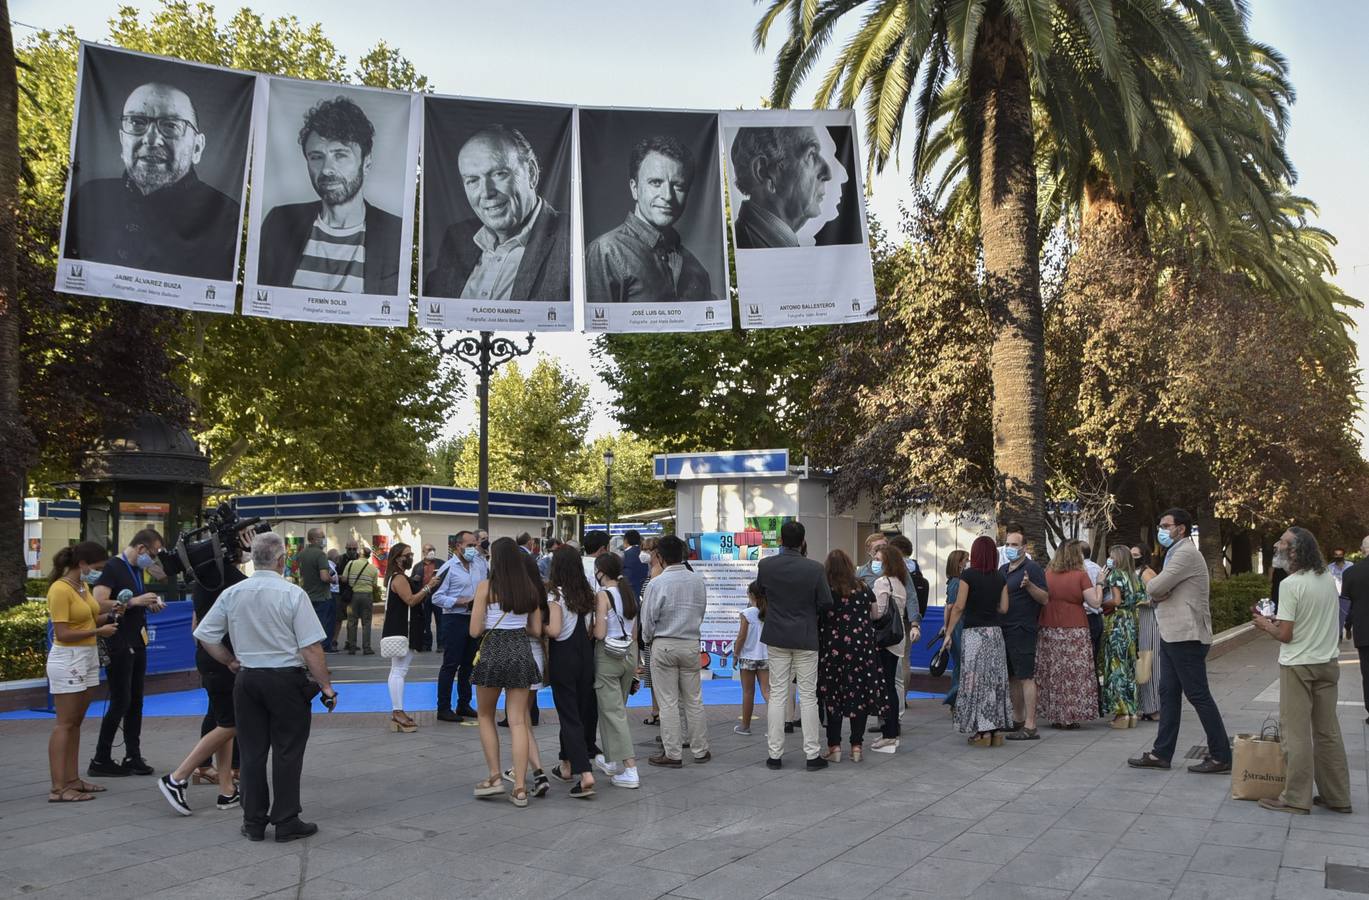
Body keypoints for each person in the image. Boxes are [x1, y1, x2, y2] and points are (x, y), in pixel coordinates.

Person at [192, 532, 337, 842]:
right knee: (288, 750)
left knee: (252, 751)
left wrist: (229, 660)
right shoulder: (292, 594)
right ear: (282, 560)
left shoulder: (233, 593)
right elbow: (311, 648)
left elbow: (205, 635)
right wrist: (326, 686)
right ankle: (286, 820)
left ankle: (253, 820)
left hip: (247, 677)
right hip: (285, 677)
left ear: (254, 558)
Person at [64, 82, 240, 278]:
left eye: (171, 126)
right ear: (123, 140)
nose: (151, 139)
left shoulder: (227, 217)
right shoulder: (90, 199)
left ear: (197, 148)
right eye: (137, 122)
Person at [1251, 526, 1352, 815]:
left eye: (1282, 542)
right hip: (1327, 664)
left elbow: (1285, 634)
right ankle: (1338, 796)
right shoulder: (1326, 580)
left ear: (1295, 550)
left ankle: (1295, 798)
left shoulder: (1291, 584)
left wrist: (1263, 624)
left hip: (1298, 664)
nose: (1277, 545)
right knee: (1327, 731)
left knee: (1295, 733)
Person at [157, 527, 256, 816]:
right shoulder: (227, 579)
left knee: (223, 723)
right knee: (233, 724)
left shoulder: (206, 580)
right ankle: (177, 777)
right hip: (223, 661)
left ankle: (226, 788)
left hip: (211, 660)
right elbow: (260, 583)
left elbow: (195, 628)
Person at [258, 96, 401, 294]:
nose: (326, 170)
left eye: (340, 155)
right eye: (316, 157)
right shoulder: (279, 222)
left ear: (366, 163)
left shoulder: (397, 234)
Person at [1127, 508, 1232, 774]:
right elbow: (1159, 590)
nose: (1161, 530)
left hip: (1186, 635)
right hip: (1173, 634)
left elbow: (1153, 587)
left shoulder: (1185, 553)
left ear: (1181, 528)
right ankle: (1161, 754)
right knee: (1168, 693)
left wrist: (1159, 590)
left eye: (1166, 525)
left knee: (1198, 694)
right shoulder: (1176, 552)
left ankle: (1221, 756)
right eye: (1160, 525)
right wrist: (1160, 591)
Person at [426, 124, 571, 301]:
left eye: (499, 174)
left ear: (532, 173)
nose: (486, 192)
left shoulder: (573, 238)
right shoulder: (457, 238)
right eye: (472, 180)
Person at [585, 135, 715, 302]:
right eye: (655, 182)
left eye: (679, 186)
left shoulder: (697, 271)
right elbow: (597, 326)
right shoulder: (606, 252)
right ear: (634, 188)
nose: (668, 196)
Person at [469, 538, 544, 809]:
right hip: (521, 652)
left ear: (495, 560)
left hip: (493, 653)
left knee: (485, 715)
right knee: (519, 722)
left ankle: (494, 777)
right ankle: (521, 788)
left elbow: (475, 630)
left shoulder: (485, 588)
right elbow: (536, 629)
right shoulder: (530, 590)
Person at [756, 521, 834, 769]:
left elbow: (760, 590)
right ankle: (812, 755)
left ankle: (774, 754)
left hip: (777, 635)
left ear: (780, 540)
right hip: (806, 636)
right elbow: (826, 602)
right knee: (808, 695)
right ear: (803, 541)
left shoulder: (766, 565)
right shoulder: (814, 568)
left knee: (778, 693)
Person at [89, 528, 167, 778]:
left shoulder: (136, 570)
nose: (153, 560)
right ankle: (101, 758)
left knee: (136, 700)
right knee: (121, 700)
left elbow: (135, 600)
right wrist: (133, 602)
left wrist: (149, 603)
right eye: (153, 553)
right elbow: (97, 604)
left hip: (137, 639)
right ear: (142, 549)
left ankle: (133, 754)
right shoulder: (113, 567)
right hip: (119, 640)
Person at [46, 542, 118, 802]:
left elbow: (90, 618)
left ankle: (72, 779)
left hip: (87, 656)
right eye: (96, 568)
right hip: (68, 657)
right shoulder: (59, 590)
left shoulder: (82, 587)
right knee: (64, 723)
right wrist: (98, 632)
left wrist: (111, 615)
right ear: (82, 565)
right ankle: (58, 788)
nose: (98, 573)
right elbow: (62, 632)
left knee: (75, 722)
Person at [640, 535, 711, 768]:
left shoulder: (657, 584)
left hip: (664, 642)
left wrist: (648, 639)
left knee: (668, 701)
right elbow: (701, 611)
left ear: (659, 556)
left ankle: (673, 752)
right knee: (693, 699)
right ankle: (700, 749)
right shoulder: (697, 581)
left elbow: (648, 619)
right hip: (691, 642)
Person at [818, 550, 887, 763]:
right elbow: (876, 614)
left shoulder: (825, 589)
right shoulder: (864, 588)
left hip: (832, 650)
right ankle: (857, 746)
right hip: (862, 650)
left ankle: (834, 746)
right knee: (860, 697)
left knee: (833, 697)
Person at [544, 546, 599, 797]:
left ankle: (584, 772)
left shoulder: (556, 596)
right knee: (578, 711)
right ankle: (565, 764)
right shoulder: (587, 594)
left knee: (569, 716)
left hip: (563, 658)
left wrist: (538, 626)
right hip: (585, 657)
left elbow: (554, 631)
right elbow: (591, 630)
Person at [947, 536, 1011, 745]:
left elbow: (958, 606)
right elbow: (1004, 608)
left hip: (974, 634)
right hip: (995, 634)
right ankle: (995, 731)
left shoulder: (968, 575)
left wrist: (948, 633)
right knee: (994, 681)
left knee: (975, 681)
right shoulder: (1000, 577)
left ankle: (981, 732)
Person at [729, 126, 832, 248]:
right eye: (811, 154)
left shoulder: (755, 239)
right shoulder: (747, 245)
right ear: (763, 171)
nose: (828, 174)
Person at [1036, 540, 1100, 729]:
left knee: (1054, 672)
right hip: (1075, 628)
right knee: (1074, 674)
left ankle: (1055, 714)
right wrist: (1100, 584)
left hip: (1049, 627)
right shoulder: (1081, 576)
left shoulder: (1047, 575)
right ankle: (1071, 715)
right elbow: (1095, 602)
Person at [590, 553, 641, 789]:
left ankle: (630, 768)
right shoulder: (629, 593)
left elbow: (600, 633)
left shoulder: (603, 595)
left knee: (613, 713)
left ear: (601, 571)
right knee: (615, 709)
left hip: (608, 656)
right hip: (629, 655)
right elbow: (635, 634)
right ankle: (611, 761)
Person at [382, 543, 441, 733]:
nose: (411, 557)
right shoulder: (398, 578)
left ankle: (398, 712)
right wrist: (428, 587)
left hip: (400, 627)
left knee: (398, 670)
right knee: (399, 670)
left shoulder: (397, 577)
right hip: (401, 629)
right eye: (408, 554)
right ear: (398, 558)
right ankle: (397, 712)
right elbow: (411, 600)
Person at [431, 530, 486, 723]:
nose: (472, 549)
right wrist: (459, 601)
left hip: (474, 619)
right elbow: (436, 597)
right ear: (458, 546)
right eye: (469, 545)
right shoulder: (449, 567)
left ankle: (464, 703)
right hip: (454, 618)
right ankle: (443, 707)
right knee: (450, 664)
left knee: (469, 665)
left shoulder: (479, 565)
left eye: (474, 545)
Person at [999, 525, 1049, 741]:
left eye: (1014, 545)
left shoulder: (1033, 569)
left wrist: (1029, 586)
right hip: (1004, 629)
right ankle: (1017, 719)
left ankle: (1030, 725)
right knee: (1012, 676)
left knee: (1026, 676)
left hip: (1023, 629)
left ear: (1024, 547)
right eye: (1008, 544)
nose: (1010, 548)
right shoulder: (1003, 570)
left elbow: (1045, 599)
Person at [870, 543, 916, 753]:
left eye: (879, 560)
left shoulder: (882, 582)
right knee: (891, 685)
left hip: (883, 639)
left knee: (885, 686)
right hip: (897, 639)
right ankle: (893, 729)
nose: (875, 563)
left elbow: (878, 612)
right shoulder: (900, 582)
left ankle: (889, 733)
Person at [1098, 545, 1143, 728]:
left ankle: (1121, 714)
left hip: (1117, 623)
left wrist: (1101, 602)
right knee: (1129, 667)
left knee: (1116, 668)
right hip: (1131, 622)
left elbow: (1116, 601)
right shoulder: (1134, 577)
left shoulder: (1116, 575)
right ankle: (1131, 713)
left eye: (1111, 556)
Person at [734, 581, 770, 737]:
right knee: (767, 691)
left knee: (748, 692)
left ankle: (745, 726)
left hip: (748, 657)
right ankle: (774, 728)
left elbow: (741, 637)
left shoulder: (747, 613)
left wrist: (736, 654)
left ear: (751, 595)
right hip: (766, 656)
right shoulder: (769, 612)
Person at [1340, 534, 1369, 724]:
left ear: (1363, 549)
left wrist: (1347, 627)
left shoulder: (1351, 573)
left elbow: (1346, 605)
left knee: (1367, 673)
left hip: (1364, 630)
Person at [1132, 546, 1161, 721]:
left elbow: (1160, 594)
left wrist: (1143, 602)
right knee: (1145, 663)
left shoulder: (1145, 573)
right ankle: (1147, 706)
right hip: (1142, 620)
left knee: (1150, 662)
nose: (1132, 557)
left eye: (1136, 555)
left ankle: (1154, 707)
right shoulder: (1136, 572)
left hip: (1149, 619)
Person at [296, 528, 335, 653]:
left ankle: (308, 654)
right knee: (321, 628)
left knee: (308, 629)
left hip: (306, 595)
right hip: (321, 597)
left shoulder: (301, 554)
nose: (324, 539)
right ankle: (320, 654)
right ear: (314, 539)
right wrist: (332, 579)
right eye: (322, 537)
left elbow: (297, 574)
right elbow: (324, 577)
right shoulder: (320, 554)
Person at [339, 541, 379, 655]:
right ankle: (367, 648)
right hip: (367, 596)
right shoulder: (373, 568)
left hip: (353, 596)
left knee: (352, 621)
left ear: (359, 554)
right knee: (366, 622)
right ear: (369, 556)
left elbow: (345, 579)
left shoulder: (351, 564)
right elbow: (374, 585)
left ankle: (352, 647)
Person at [942, 550, 969, 710]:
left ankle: (956, 698)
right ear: (959, 563)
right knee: (961, 663)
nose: (968, 562)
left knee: (960, 663)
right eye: (966, 560)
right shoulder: (957, 583)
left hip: (957, 625)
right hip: (958, 625)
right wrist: (948, 629)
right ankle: (955, 697)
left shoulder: (952, 581)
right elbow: (951, 606)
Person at [410, 543, 443, 652]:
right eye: (429, 549)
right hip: (424, 597)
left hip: (438, 597)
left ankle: (441, 645)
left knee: (441, 622)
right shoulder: (418, 566)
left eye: (433, 549)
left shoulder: (441, 563)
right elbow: (412, 582)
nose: (431, 551)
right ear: (423, 552)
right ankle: (426, 644)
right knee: (425, 622)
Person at [1079, 541, 1105, 667]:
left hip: (1085, 616)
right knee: (1093, 657)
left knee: (1084, 659)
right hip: (1096, 617)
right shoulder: (1097, 567)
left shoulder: (1082, 570)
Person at [1328, 548, 1352, 639]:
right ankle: (1339, 634)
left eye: (1340, 554)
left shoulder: (1350, 565)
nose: (1338, 556)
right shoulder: (1330, 567)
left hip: (1348, 594)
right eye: (1336, 554)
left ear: (1343, 555)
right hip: (1335, 594)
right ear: (1333, 556)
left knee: (1349, 615)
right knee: (1337, 615)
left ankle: (1348, 627)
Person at [621, 529, 649, 600]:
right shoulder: (645, 554)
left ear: (626, 540)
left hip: (628, 591)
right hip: (644, 589)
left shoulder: (624, 555)